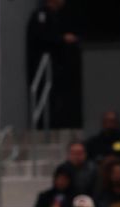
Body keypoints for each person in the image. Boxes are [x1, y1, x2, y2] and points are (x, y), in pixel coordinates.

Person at [25, 0, 82, 129]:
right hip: (44, 66)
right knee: (44, 95)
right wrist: (62, 39)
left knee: (57, 97)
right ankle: (42, 126)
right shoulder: (41, 15)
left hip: (58, 66)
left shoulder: (59, 17)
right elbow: (41, 37)